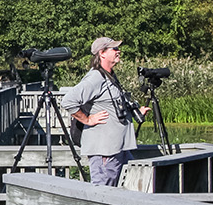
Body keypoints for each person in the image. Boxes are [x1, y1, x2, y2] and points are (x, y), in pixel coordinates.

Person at [60, 36, 149, 186]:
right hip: (104, 152)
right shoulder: (95, 77)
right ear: (102, 53)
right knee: (102, 194)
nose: (118, 51)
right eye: (114, 48)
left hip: (118, 148)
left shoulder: (110, 76)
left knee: (133, 185)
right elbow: (68, 101)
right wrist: (88, 120)